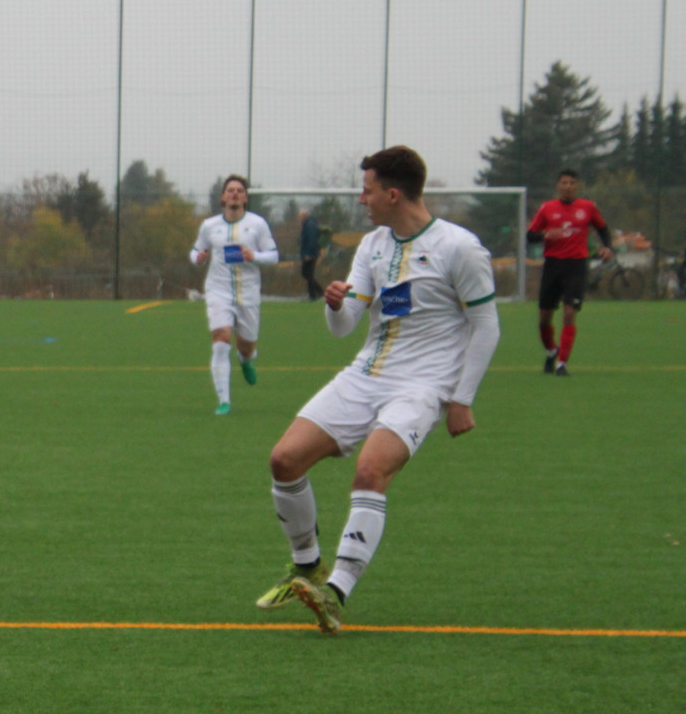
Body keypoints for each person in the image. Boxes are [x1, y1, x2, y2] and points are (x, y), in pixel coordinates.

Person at [254, 146, 499, 634]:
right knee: (284, 460)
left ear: (392, 193)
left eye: (366, 190)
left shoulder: (459, 247)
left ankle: (336, 591)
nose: (361, 199)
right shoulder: (373, 245)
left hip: (422, 388)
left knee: (370, 471)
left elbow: (486, 325)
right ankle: (306, 567)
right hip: (365, 375)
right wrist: (334, 303)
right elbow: (344, 327)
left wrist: (461, 399)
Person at [190, 174, 279, 415]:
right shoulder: (209, 226)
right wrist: (198, 258)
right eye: (230, 190)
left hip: (248, 293)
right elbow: (196, 251)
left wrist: (255, 256)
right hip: (218, 291)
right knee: (220, 340)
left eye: (239, 190)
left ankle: (246, 358)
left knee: (246, 345)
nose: (235, 194)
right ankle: (224, 401)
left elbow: (274, 256)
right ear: (223, 197)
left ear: (245, 197)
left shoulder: (258, 224)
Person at [526, 169, 613, 377]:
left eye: (571, 183)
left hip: (576, 267)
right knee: (544, 318)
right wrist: (546, 235)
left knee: (569, 312)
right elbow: (530, 235)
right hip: (552, 266)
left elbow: (602, 228)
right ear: (558, 186)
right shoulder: (547, 208)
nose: (567, 186)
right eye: (563, 183)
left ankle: (562, 363)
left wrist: (607, 247)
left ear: (578, 186)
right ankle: (551, 351)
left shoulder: (588, 207)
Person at [299, 210, 324, 301]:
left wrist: (309, 253)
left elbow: (312, 239)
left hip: (310, 253)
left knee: (307, 273)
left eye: (300, 215)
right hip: (310, 252)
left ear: (304, 215)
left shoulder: (309, 224)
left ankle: (316, 293)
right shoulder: (309, 223)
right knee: (307, 274)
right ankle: (316, 293)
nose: (299, 217)